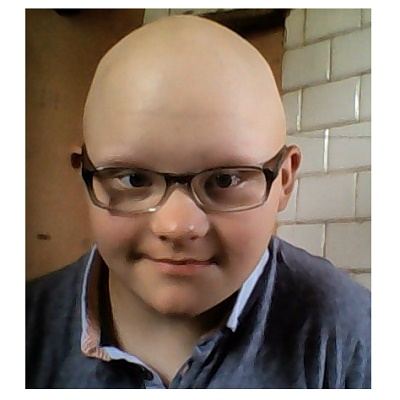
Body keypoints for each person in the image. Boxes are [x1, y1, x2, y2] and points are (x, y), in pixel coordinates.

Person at [26, 15, 371, 389]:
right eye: (133, 179)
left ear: (284, 180)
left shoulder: (356, 339)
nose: (176, 227)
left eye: (224, 180)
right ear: (84, 175)